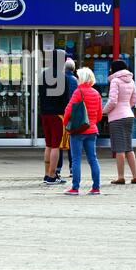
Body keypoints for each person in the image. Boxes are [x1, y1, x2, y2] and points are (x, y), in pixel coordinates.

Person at [63, 67, 102, 195]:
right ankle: (96, 187)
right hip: (92, 131)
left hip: (78, 131)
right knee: (93, 159)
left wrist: (66, 124)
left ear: (82, 78)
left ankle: (75, 188)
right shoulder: (96, 93)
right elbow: (99, 115)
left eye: (78, 77)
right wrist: (92, 123)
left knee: (76, 159)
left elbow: (68, 110)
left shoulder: (78, 92)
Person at [103, 59, 136, 184]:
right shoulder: (131, 81)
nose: (110, 70)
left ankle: (120, 177)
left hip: (117, 118)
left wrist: (104, 111)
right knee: (129, 147)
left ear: (115, 68)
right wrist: (126, 107)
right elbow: (135, 99)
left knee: (119, 149)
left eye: (111, 68)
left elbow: (112, 101)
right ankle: (135, 176)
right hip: (129, 115)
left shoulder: (115, 81)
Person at [39, 49, 70, 185]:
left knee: (48, 145)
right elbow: (66, 99)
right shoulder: (63, 77)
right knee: (56, 145)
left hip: (45, 113)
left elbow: (40, 94)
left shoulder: (43, 75)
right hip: (58, 114)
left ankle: (47, 174)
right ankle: (52, 175)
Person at [56, 58, 78, 178]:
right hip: (72, 113)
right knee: (72, 141)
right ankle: (72, 169)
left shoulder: (60, 79)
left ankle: (58, 168)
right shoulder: (75, 80)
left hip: (60, 112)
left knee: (59, 140)